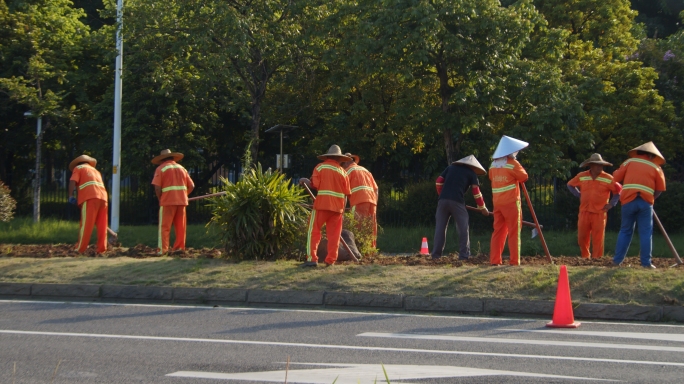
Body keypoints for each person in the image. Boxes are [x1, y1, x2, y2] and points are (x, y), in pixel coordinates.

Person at [612, 142, 667, 269]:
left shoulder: (629, 162)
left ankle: (617, 261)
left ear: (638, 153)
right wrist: (651, 198)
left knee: (625, 230)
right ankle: (646, 263)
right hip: (645, 202)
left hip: (628, 201)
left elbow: (615, 177)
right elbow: (660, 188)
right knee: (646, 233)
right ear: (652, 155)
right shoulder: (656, 167)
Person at [299, 145, 352, 267]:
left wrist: (305, 180)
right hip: (338, 209)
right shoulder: (343, 172)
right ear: (339, 159)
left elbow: (314, 184)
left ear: (327, 156)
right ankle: (330, 260)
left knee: (314, 231)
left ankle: (312, 259)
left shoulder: (320, 167)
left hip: (322, 206)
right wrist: (342, 210)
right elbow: (347, 193)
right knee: (334, 235)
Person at [432, 155, 489, 260]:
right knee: (463, 229)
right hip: (457, 202)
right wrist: (482, 207)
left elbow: (438, 181)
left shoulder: (450, 168)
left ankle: (436, 256)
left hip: (442, 201)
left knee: (440, 228)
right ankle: (464, 255)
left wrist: (442, 195)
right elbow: (476, 192)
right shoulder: (472, 173)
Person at [567, 154, 622, 259]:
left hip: (600, 212)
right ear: (591, 165)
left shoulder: (608, 178)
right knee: (581, 237)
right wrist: (579, 195)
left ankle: (597, 259)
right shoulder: (582, 175)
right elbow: (570, 184)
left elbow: (618, 191)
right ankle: (585, 257)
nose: (599, 167)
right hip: (584, 211)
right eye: (597, 165)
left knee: (598, 238)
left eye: (601, 165)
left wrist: (611, 204)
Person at [489, 135, 529, 266]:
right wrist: (515, 161)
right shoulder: (512, 164)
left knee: (498, 232)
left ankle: (495, 260)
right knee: (514, 231)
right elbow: (524, 177)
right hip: (511, 203)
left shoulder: (493, 165)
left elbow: (491, 178)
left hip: (497, 203)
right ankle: (514, 261)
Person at [151, 149, 194, 254]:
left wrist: (160, 199)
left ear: (162, 160)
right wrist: (183, 195)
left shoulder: (161, 168)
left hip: (167, 202)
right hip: (182, 202)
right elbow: (192, 186)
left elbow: (157, 188)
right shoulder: (182, 168)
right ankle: (179, 249)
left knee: (165, 227)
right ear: (173, 158)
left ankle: (163, 250)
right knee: (181, 227)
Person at [68, 154, 109, 254]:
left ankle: (80, 249)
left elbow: (73, 181)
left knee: (86, 224)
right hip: (103, 197)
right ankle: (102, 249)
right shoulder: (96, 171)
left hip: (90, 198)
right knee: (102, 225)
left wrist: (70, 196)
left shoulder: (78, 168)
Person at [341, 153, 379, 248]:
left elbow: (343, 192)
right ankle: (371, 250)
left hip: (358, 201)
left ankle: (358, 249)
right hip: (372, 201)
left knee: (357, 226)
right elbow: (376, 189)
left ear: (346, 163)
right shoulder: (365, 170)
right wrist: (375, 202)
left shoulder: (347, 172)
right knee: (371, 227)